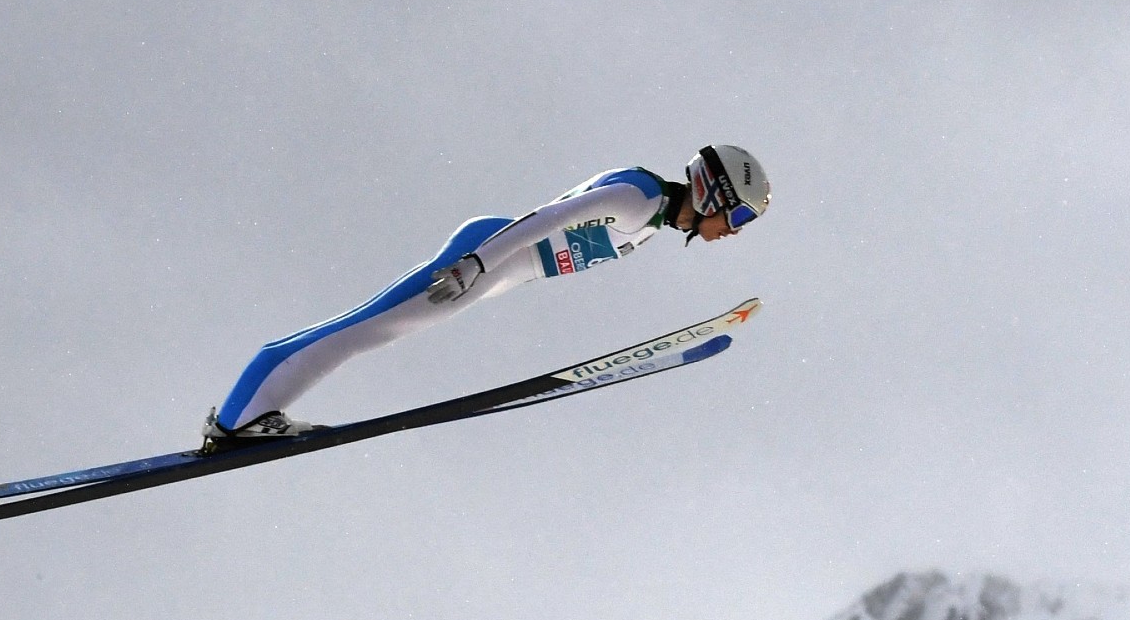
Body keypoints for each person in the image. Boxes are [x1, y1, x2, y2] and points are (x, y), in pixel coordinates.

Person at [202, 145, 770, 449]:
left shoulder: (652, 216)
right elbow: (552, 217)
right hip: (486, 258)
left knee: (366, 328)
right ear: (712, 192)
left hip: (495, 266)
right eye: (739, 214)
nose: (736, 229)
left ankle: (247, 413)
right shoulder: (638, 199)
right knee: (366, 330)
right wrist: (476, 263)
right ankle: (238, 419)